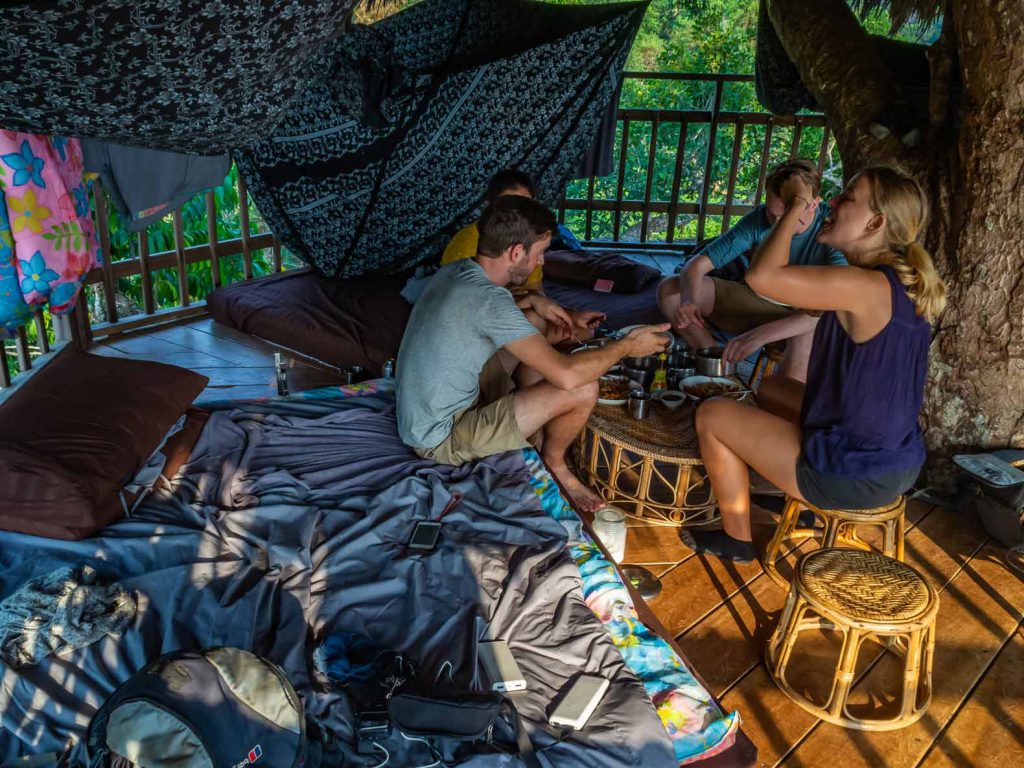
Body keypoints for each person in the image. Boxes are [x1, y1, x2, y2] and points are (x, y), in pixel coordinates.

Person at [681, 166, 946, 562]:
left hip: (853, 472)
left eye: (848, 198)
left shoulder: (865, 287)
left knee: (713, 414)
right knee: (771, 388)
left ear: (875, 222)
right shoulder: (892, 282)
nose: (834, 203)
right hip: (895, 458)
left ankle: (737, 537)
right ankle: (787, 487)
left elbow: (762, 276)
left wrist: (798, 204)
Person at [398, 195, 671, 512]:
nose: (542, 262)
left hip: (427, 412)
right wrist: (626, 345)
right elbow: (567, 376)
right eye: (540, 253)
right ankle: (555, 464)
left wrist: (534, 300)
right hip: (440, 439)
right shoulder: (490, 302)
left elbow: (481, 316)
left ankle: (529, 419)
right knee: (584, 387)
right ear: (516, 252)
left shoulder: (459, 271)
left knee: (535, 322)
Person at [657, 159, 847, 381]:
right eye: (771, 214)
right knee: (671, 289)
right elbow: (695, 266)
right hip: (759, 304)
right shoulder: (759, 219)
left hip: (807, 317)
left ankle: (782, 405)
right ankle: (718, 365)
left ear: (813, 204)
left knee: (806, 332)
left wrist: (759, 336)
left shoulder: (831, 228)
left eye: (786, 216)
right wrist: (689, 301)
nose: (776, 223)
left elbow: (836, 305)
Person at [442, 168, 602, 343]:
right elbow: (475, 311)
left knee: (583, 331)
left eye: (526, 207)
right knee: (534, 323)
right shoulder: (468, 244)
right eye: (512, 207)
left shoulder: (528, 240)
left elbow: (538, 295)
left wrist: (570, 314)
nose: (521, 216)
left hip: (511, 312)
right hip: (481, 327)